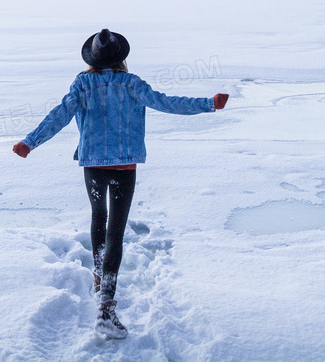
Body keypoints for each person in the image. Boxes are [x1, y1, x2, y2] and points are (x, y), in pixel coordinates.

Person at [12, 28, 228, 339]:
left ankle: (100, 280)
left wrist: (30, 142)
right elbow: (168, 103)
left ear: (93, 59)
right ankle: (105, 308)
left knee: (98, 219)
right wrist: (209, 103)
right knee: (116, 229)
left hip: (94, 164)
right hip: (124, 165)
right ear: (121, 58)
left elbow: (59, 114)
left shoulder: (82, 84)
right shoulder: (131, 84)